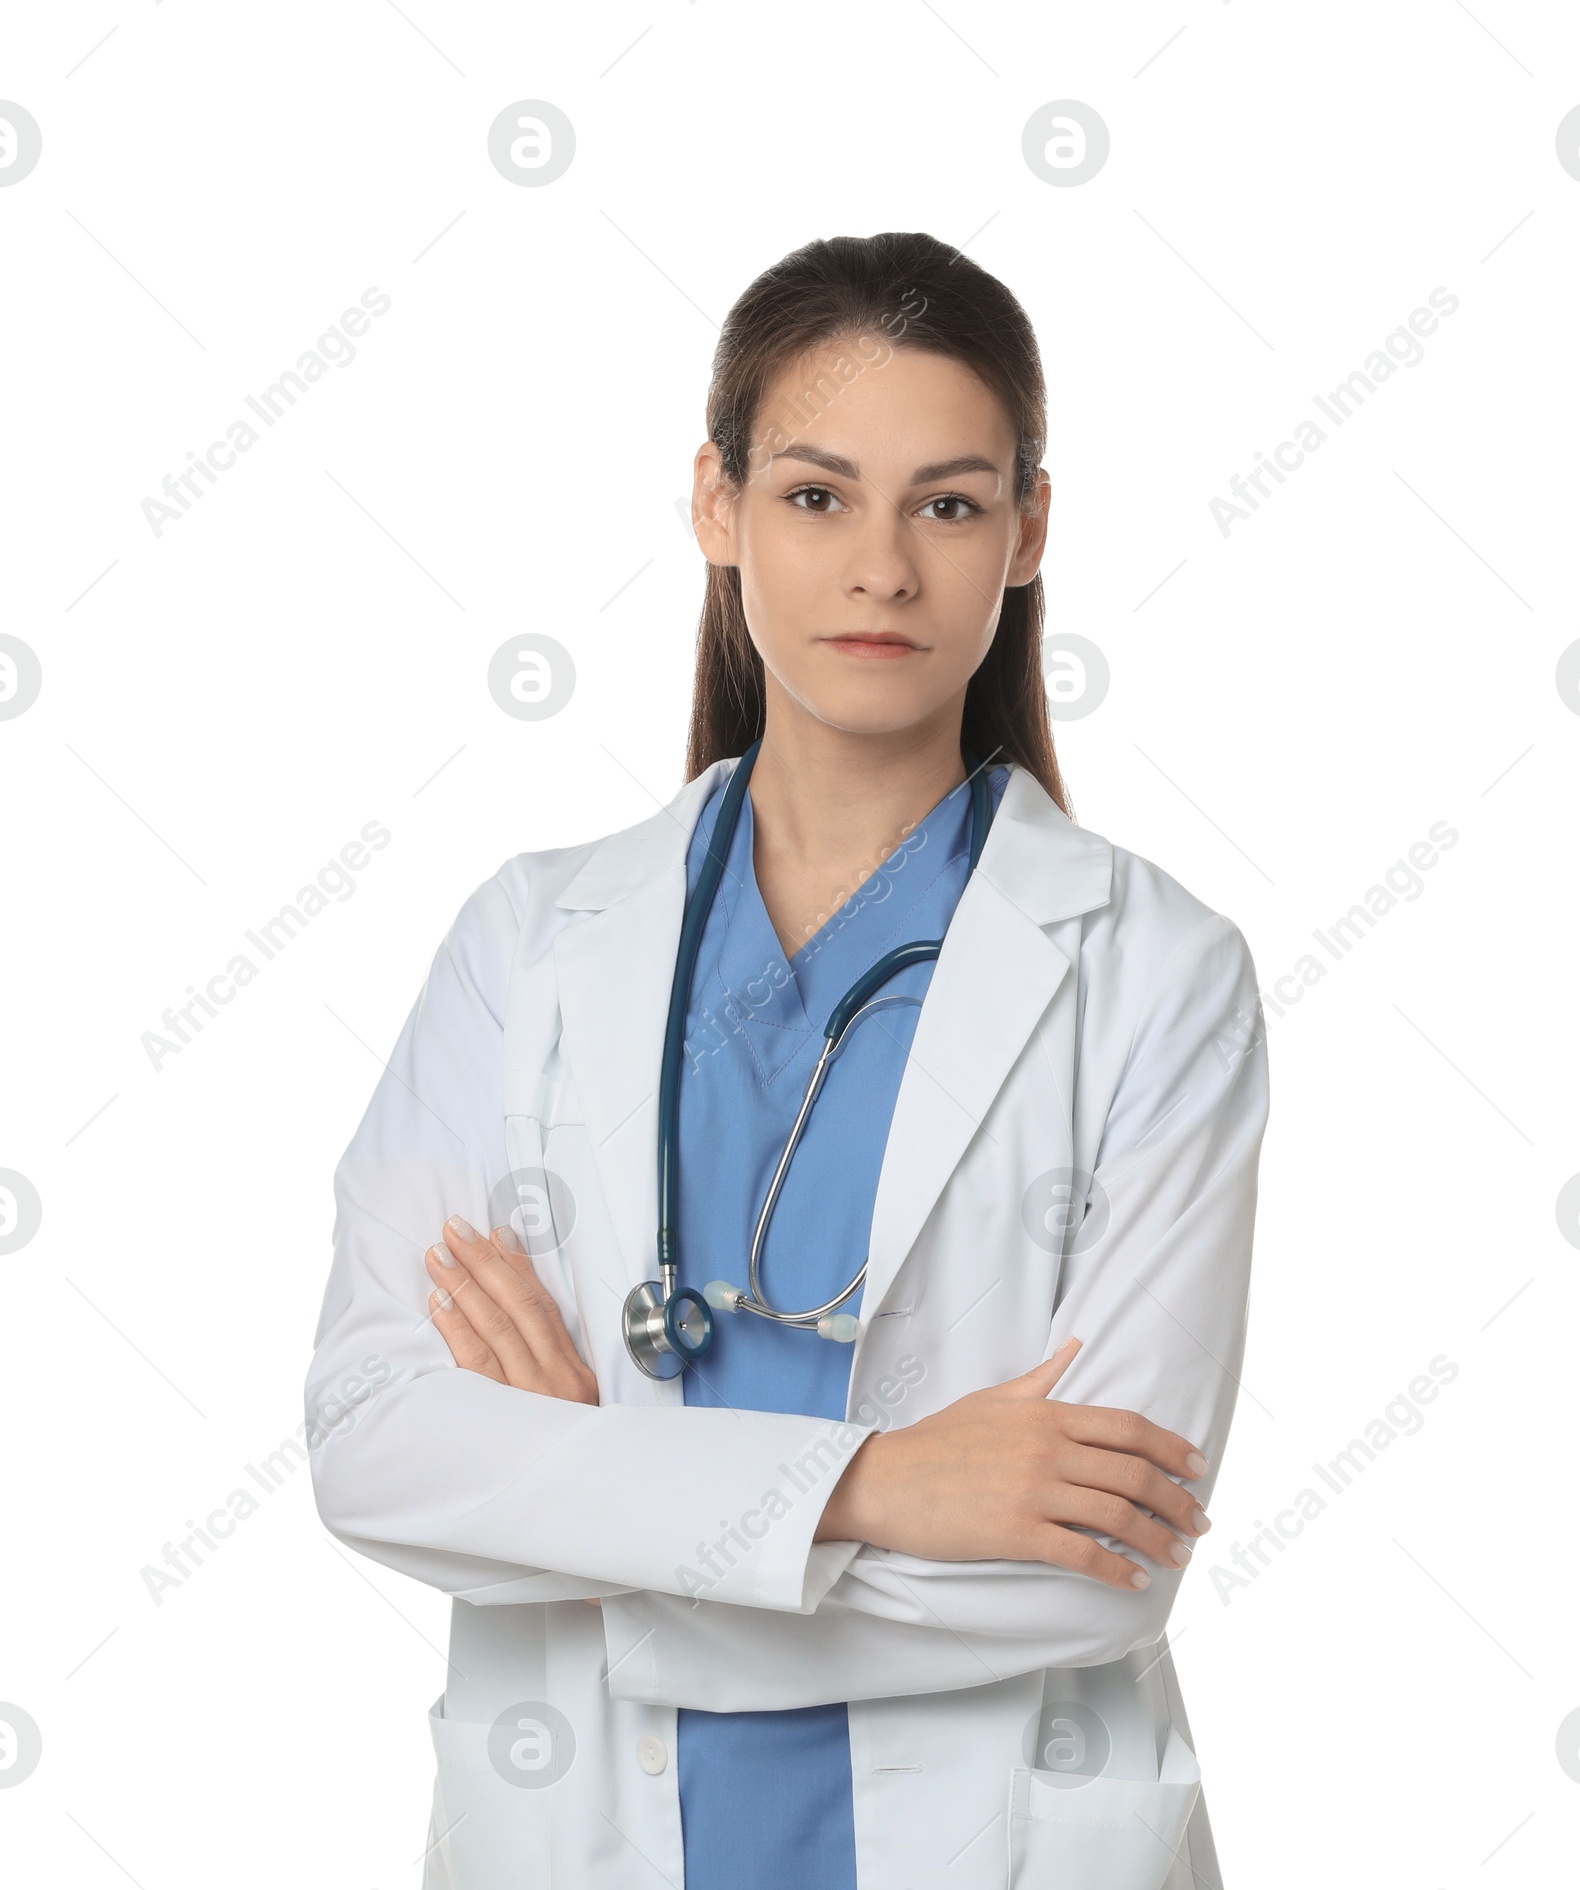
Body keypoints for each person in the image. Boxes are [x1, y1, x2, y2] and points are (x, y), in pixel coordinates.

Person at [306, 230, 1269, 1890]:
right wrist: (889, 1482)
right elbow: (378, 1442)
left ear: (1028, 529)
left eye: (949, 502)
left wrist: (588, 1498)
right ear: (717, 505)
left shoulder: (1158, 974)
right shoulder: (530, 944)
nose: (881, 568)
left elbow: (1094, 1564)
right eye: (818, 496)